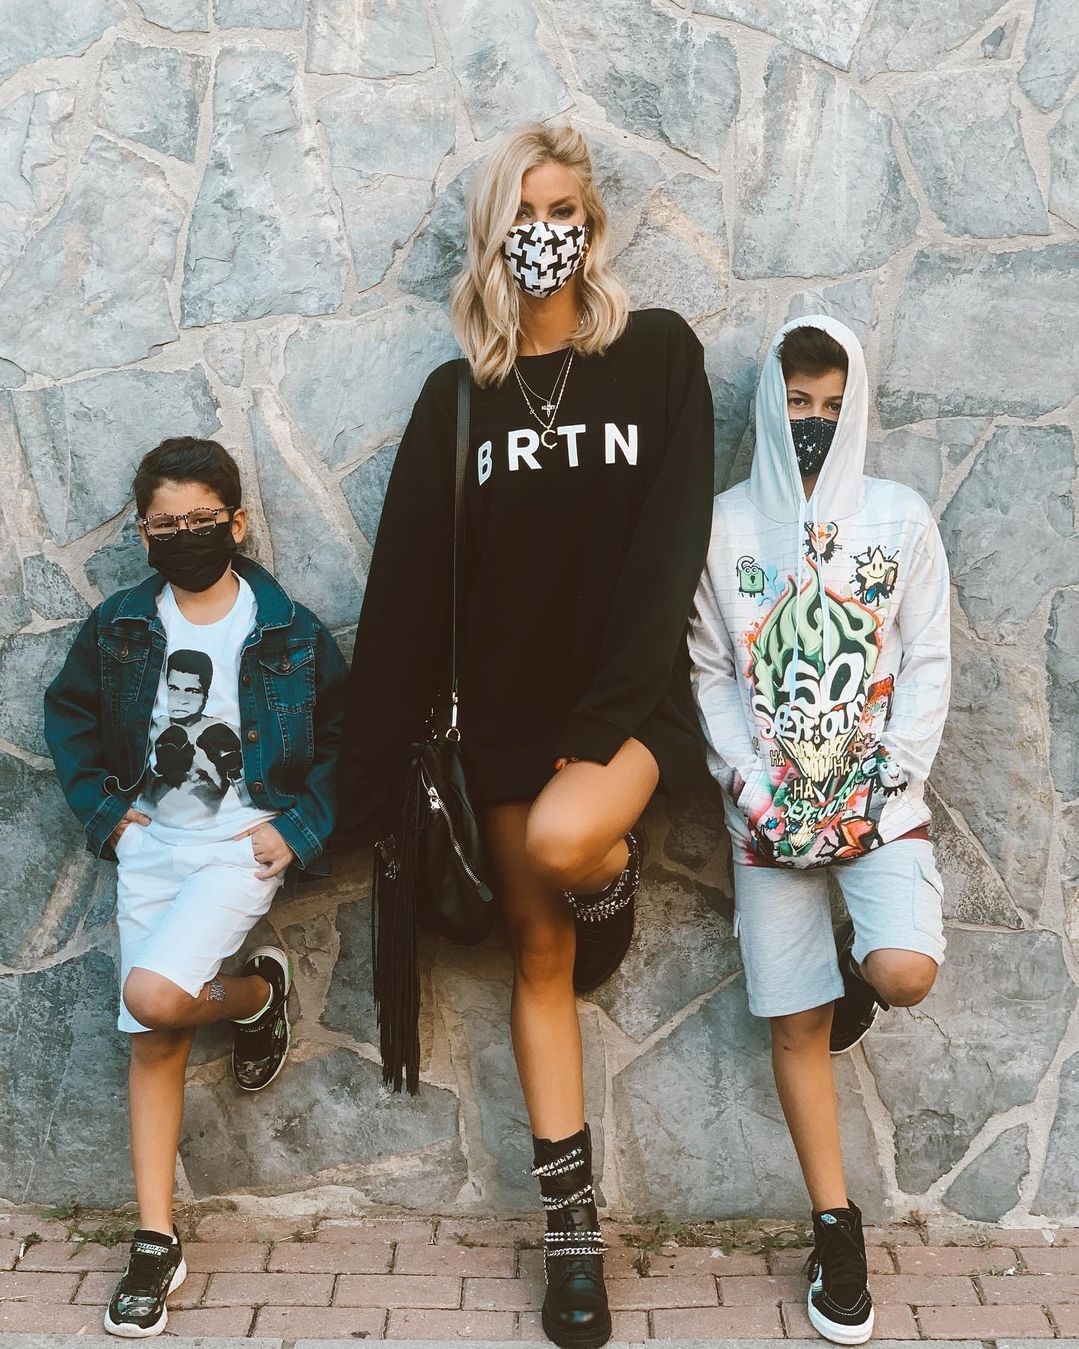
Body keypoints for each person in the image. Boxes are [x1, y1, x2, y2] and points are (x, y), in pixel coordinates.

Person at [340, 123, 713, 1349]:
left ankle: (612, 881)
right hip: (498, 723)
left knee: (568, 842)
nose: (543, 230)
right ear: (492, 234)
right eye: (522, 211)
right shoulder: (458, 400)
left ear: (590, 225)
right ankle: (573, 1233)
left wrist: (604, 722)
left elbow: (669, 551)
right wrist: (363, 780)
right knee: (537, 960)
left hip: (627, 708)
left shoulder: (656, 356)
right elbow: (407, 594)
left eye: (562, 209)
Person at [44, 437, 347, 1338]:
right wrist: (108, 813)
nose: (183, 536)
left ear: (236, 523)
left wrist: (295, 828)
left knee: (153, 996)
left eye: (200, 520)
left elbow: (347, 738)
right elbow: (68, 714)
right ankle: (155, 1240)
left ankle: (255, 994)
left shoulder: (288, 629)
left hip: (235, 849)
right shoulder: (121, 624)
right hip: (151, 847)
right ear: (144, 534)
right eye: (165, 524)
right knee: (153, 1039)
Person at [688, 317, 950, 1345]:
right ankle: (835, 1228)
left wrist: (885, 783)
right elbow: (711, 670)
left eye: (834, 405)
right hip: (768, 819)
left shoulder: (899, 517)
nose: (815, 421)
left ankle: (856, 964)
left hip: (880, 806)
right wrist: (755, 792)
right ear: (770, 402)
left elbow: (926, 660)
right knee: (795, 1024)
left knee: (906, 970)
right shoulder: (721, 528)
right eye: (799, 402)